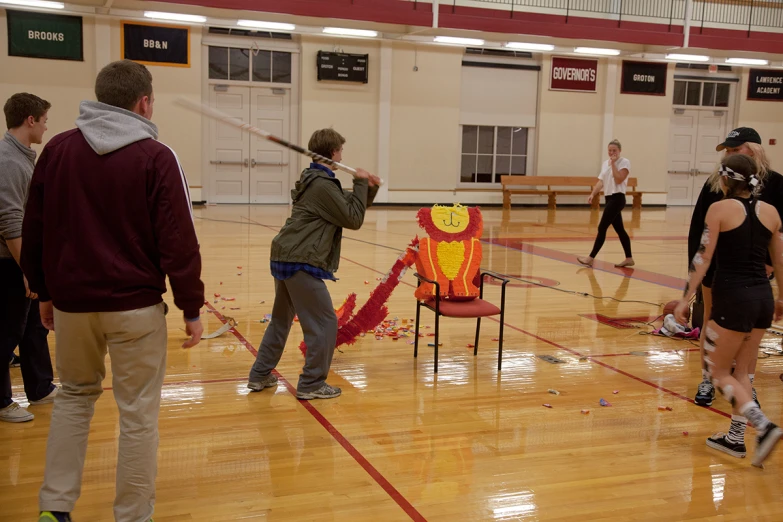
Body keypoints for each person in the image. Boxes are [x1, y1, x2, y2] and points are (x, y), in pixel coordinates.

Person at [21, 60, 205, 522]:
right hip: (135, 309)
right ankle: (132, 516)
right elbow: (178, 239)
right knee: (138, 415)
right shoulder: (157, 156)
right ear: (143, 103)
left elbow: (35, 229)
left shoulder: (57, 150)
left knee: (73, 399)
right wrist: (190, 305)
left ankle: (55, 508)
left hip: (72, 307)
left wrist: (43, 293)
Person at [247, 129, 379, 400]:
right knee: (325, 323)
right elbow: (353, 219)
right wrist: (361, 182)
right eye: (341, 151)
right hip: (300, 259)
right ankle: (311, 383)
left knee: (281, 320)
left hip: (287, 254)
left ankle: (260, 375)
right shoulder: (321, 185)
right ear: (333, 153)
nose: (343, 155)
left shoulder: (317, 180)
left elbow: (349, 206)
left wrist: (368, 186)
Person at [674, 154, 783, 468]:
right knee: (742, 371)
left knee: (716, 371)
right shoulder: (772, 212)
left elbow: (703, 258)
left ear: (723, 180)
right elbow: (779, 262)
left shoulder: (719, 209)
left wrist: (685, 298)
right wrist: (781, 300)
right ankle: (736, 438)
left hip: (733, 299)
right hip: (763, 299)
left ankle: (762, 426)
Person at [688, 128, 783, 411]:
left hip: (755, 272)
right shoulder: (715, 184)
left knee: (748, 334)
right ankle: (707, 378)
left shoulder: (776, 185)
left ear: (752, 151)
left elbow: (778, 235)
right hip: (718, 268)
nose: (728, 155)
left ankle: (746, 383)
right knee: (709, 322)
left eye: (734, 149)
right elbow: (698, 231)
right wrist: (694, 274)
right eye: (726, 151)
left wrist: (771, 269)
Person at [0, 93, 56, 423]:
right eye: (45, 120)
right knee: (7, 332)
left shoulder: (24, 157)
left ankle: (40, 388)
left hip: (24, 259)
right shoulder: (9, 160)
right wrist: (27, 270)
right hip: (9, 262)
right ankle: (2, 401)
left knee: (34, 326)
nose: (47, 127)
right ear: (30, 120)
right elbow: (9, 221)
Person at [577, 139, 635, 268]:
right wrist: (593, 194)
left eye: (614, 150)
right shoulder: (605, 163)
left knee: (602, 227)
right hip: (609, 198)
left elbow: (619, 179)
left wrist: (614, 164)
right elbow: (601, 181)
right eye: (610, 150)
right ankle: (629, 258)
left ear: (619, 151)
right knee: (620, 229)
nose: (612, 152)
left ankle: (590, 258)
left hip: (618, 198)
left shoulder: (624, 162)